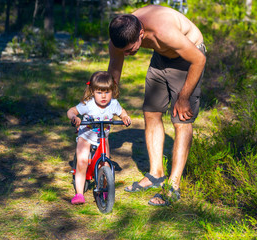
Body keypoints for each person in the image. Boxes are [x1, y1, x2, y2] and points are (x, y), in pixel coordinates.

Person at [108, 5, 206, 206]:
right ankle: (155, 174)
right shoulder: (120, 37)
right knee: (151, 113)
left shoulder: (164, 32)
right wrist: (108, 103)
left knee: (182, 119)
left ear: (141, 34)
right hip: (161, 57)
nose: (126, 54)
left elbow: (199, 60)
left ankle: (173, 185)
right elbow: (115, 69)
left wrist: (183, 97)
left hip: (189, 57)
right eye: (122, 51)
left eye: (130, 50)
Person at [67, 71, 131, 204]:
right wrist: (74, 117)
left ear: (112, 91)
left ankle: (105, 188)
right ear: (92, 91)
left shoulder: (113, 104)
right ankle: (79, 193)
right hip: (86, 136)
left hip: (103, 137)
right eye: (99, 92)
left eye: (107, 92)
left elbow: (122, 112)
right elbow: (72, 111)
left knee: (106, 163)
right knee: (82, 161)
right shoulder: (88, 104)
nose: (103, 96)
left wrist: (124, 117)